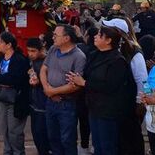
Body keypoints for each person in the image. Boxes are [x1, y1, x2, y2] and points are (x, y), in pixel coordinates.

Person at [67, 25, 137, 155]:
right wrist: (76, 79)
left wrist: (84, 83)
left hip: (109, 110)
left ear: (108, 40)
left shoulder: (117, 60)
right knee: (98, 144)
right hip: (94, 107)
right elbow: (88, 74)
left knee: (107, 145)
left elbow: (111, 86)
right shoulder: (94, 55)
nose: (95, 36)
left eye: (99, 35)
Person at [40, 24, 86, 155]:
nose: (53, 37)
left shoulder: (79, 57)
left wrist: (53, 92)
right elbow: (44, 69)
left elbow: (76, 84)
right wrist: (46, 88)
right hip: (51, 102)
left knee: (67, 139)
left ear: (66, 38)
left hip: (67, 104)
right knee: (53, 138)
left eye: (56, 35)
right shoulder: (54, 49)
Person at [110, 17, 148, 155]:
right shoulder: (116, 49)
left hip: (130, 102)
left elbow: (142, 79)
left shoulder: (133, 50)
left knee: (131, 137)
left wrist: (141, 101)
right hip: (117, 103)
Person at [0, 32, 30, 155]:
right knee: (5, 128)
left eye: (1, 42)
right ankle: (7, 152)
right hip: (2, 98)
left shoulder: (19, 60)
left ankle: (18, 152)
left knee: (15, 130)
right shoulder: (0, 59)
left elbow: (15, 79)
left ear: (8, 45)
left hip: (16, 99)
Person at [27, 38, 51, 155]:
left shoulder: (48, 62)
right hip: (34, 105)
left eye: (33, 51)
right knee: (36, 135)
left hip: (45, 106)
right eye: (29, 51)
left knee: (44, 137)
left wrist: (39, 82)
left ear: (41, 50)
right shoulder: (32, 61)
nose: (30, 54)